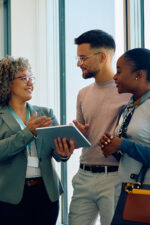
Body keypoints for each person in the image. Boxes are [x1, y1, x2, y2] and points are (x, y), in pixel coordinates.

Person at [0, 55, 75, 225]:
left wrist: (65, 150)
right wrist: (28, 133)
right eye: (24, 78)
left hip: (46, 193)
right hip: (10, 196)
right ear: (7, 82)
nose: (30, 83)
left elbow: (58, 154)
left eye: (31, 78)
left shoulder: (46, 113)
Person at [68, 29, 130, 225]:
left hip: (114, 177)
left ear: (102, 56)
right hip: (84, 176)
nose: (79, 63)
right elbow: (84, 136)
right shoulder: (82, 93)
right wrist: (76, 136)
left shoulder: (129, 93)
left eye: (83, 58)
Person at [99, 48, 150, 207]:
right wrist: (113, 148)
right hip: (125, 189)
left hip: (145, 193)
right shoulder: (128, 107)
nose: (114, 76)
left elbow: (129, 146)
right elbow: (128, 153)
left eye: (119, 71)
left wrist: (123, 145)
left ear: (139, 74)